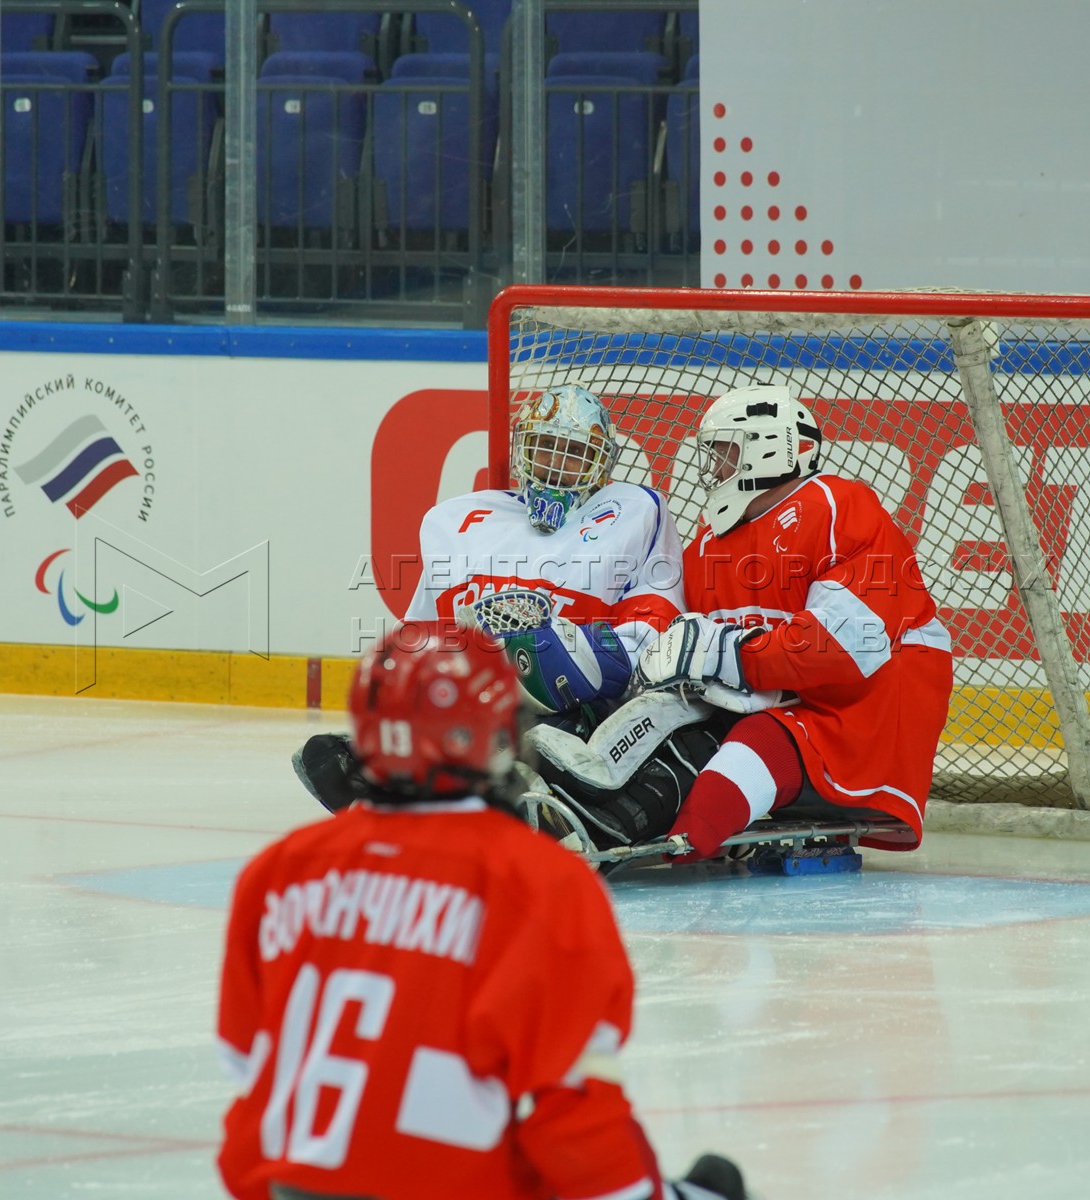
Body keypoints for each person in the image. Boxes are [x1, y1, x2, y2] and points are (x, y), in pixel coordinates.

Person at [217, 620, 748, 1200]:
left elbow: (246, 1060)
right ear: (497, 735)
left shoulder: (277, 872)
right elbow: (576, 1122)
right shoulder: (541, 885)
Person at [536, 383, 954, 861]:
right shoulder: (709, 544)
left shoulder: (837, 508)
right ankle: (571, 801)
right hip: (782, 695)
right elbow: (674, 638)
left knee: (751, 746)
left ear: (769, 450)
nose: (712, 469)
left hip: (866, 704)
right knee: (667, 718)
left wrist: (723, 653)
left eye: (724, 453)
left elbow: (840, 648)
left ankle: (669, 844)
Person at [296, 384, 706, 847]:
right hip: (476, 711)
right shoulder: (459, 521)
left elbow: (651, 633)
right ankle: (458, 802)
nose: (556, 464)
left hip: (574, 711)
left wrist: (570, 657)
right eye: (544, 447)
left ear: (602, 463)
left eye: (574, 452)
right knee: (327, 757)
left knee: (544, 744)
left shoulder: (634, 512)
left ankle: (456, 805)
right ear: (522, 450)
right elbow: (421, 639)